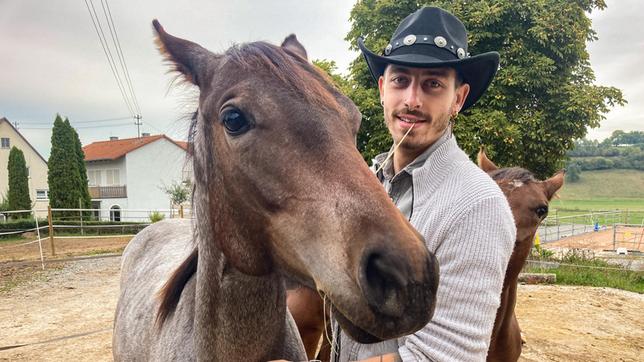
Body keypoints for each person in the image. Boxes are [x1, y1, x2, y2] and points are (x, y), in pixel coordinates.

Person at [332, 7, 516, 362]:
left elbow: (441, 358)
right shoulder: (370, 182)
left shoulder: (478, 205)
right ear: (383, 90)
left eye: (432, 84)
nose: (412, 100)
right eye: (401, 80)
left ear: (458, 99)